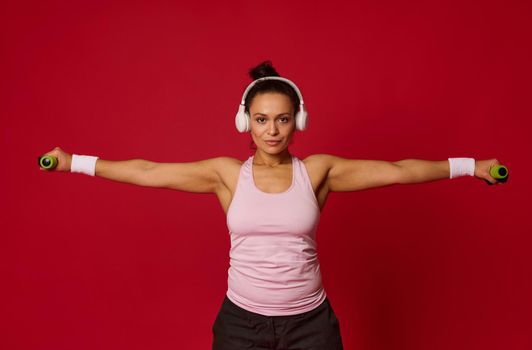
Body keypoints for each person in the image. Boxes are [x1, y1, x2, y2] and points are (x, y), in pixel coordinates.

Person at [39, 60, 505, 350]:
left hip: (311, 325)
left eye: (283, 119)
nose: (273, 130)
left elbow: (399, 170)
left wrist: (471, 166)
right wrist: (72, 162)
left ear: (297, 120)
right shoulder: (226, 174)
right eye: (261, 120)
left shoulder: (317, 171)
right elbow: (147, 171)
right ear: (246, 122)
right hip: (240, 325)